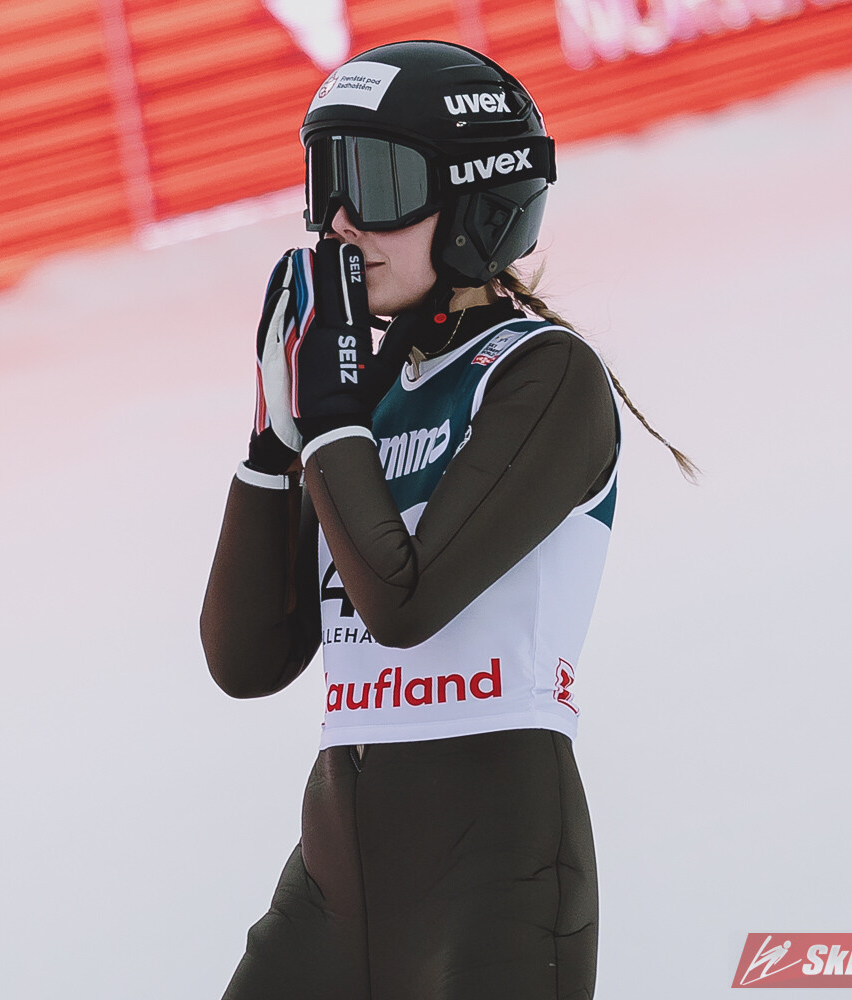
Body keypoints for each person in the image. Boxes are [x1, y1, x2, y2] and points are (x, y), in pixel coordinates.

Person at [200, 40, 693, 1000]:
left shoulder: (543, 376)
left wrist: (330, 422)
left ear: (477, 206)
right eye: (328, 182)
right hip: (333, 888)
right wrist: (270, 447)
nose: (342, 223)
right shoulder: (368, 402)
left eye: (379, 182)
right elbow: (247, 660)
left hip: (494, 890)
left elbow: (405, 604)